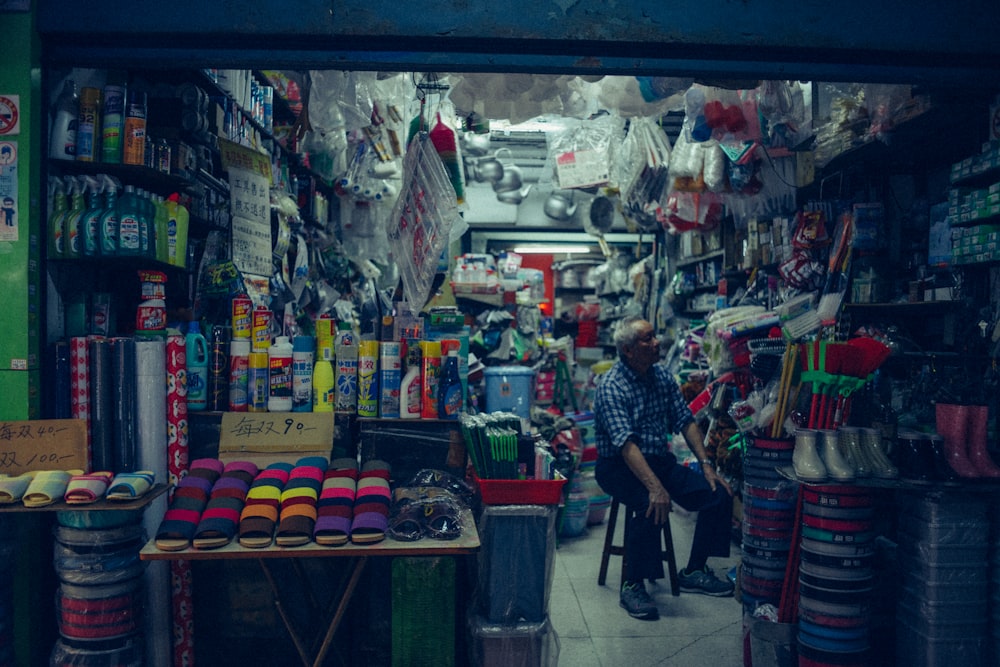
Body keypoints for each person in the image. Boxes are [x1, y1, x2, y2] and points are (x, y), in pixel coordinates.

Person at [594, 316, 734, 620]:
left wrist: (706, 465)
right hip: (618, 465)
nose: (656, 343)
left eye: (654, 336)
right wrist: (655, 487)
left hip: (657, 460)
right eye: (647, 339)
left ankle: (695, 569)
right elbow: (625, 444)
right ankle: (633, 584)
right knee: (648, 503)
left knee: (718, 494)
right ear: (629, 350)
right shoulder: (611, 386)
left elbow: (685, 421)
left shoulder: (661, 377)